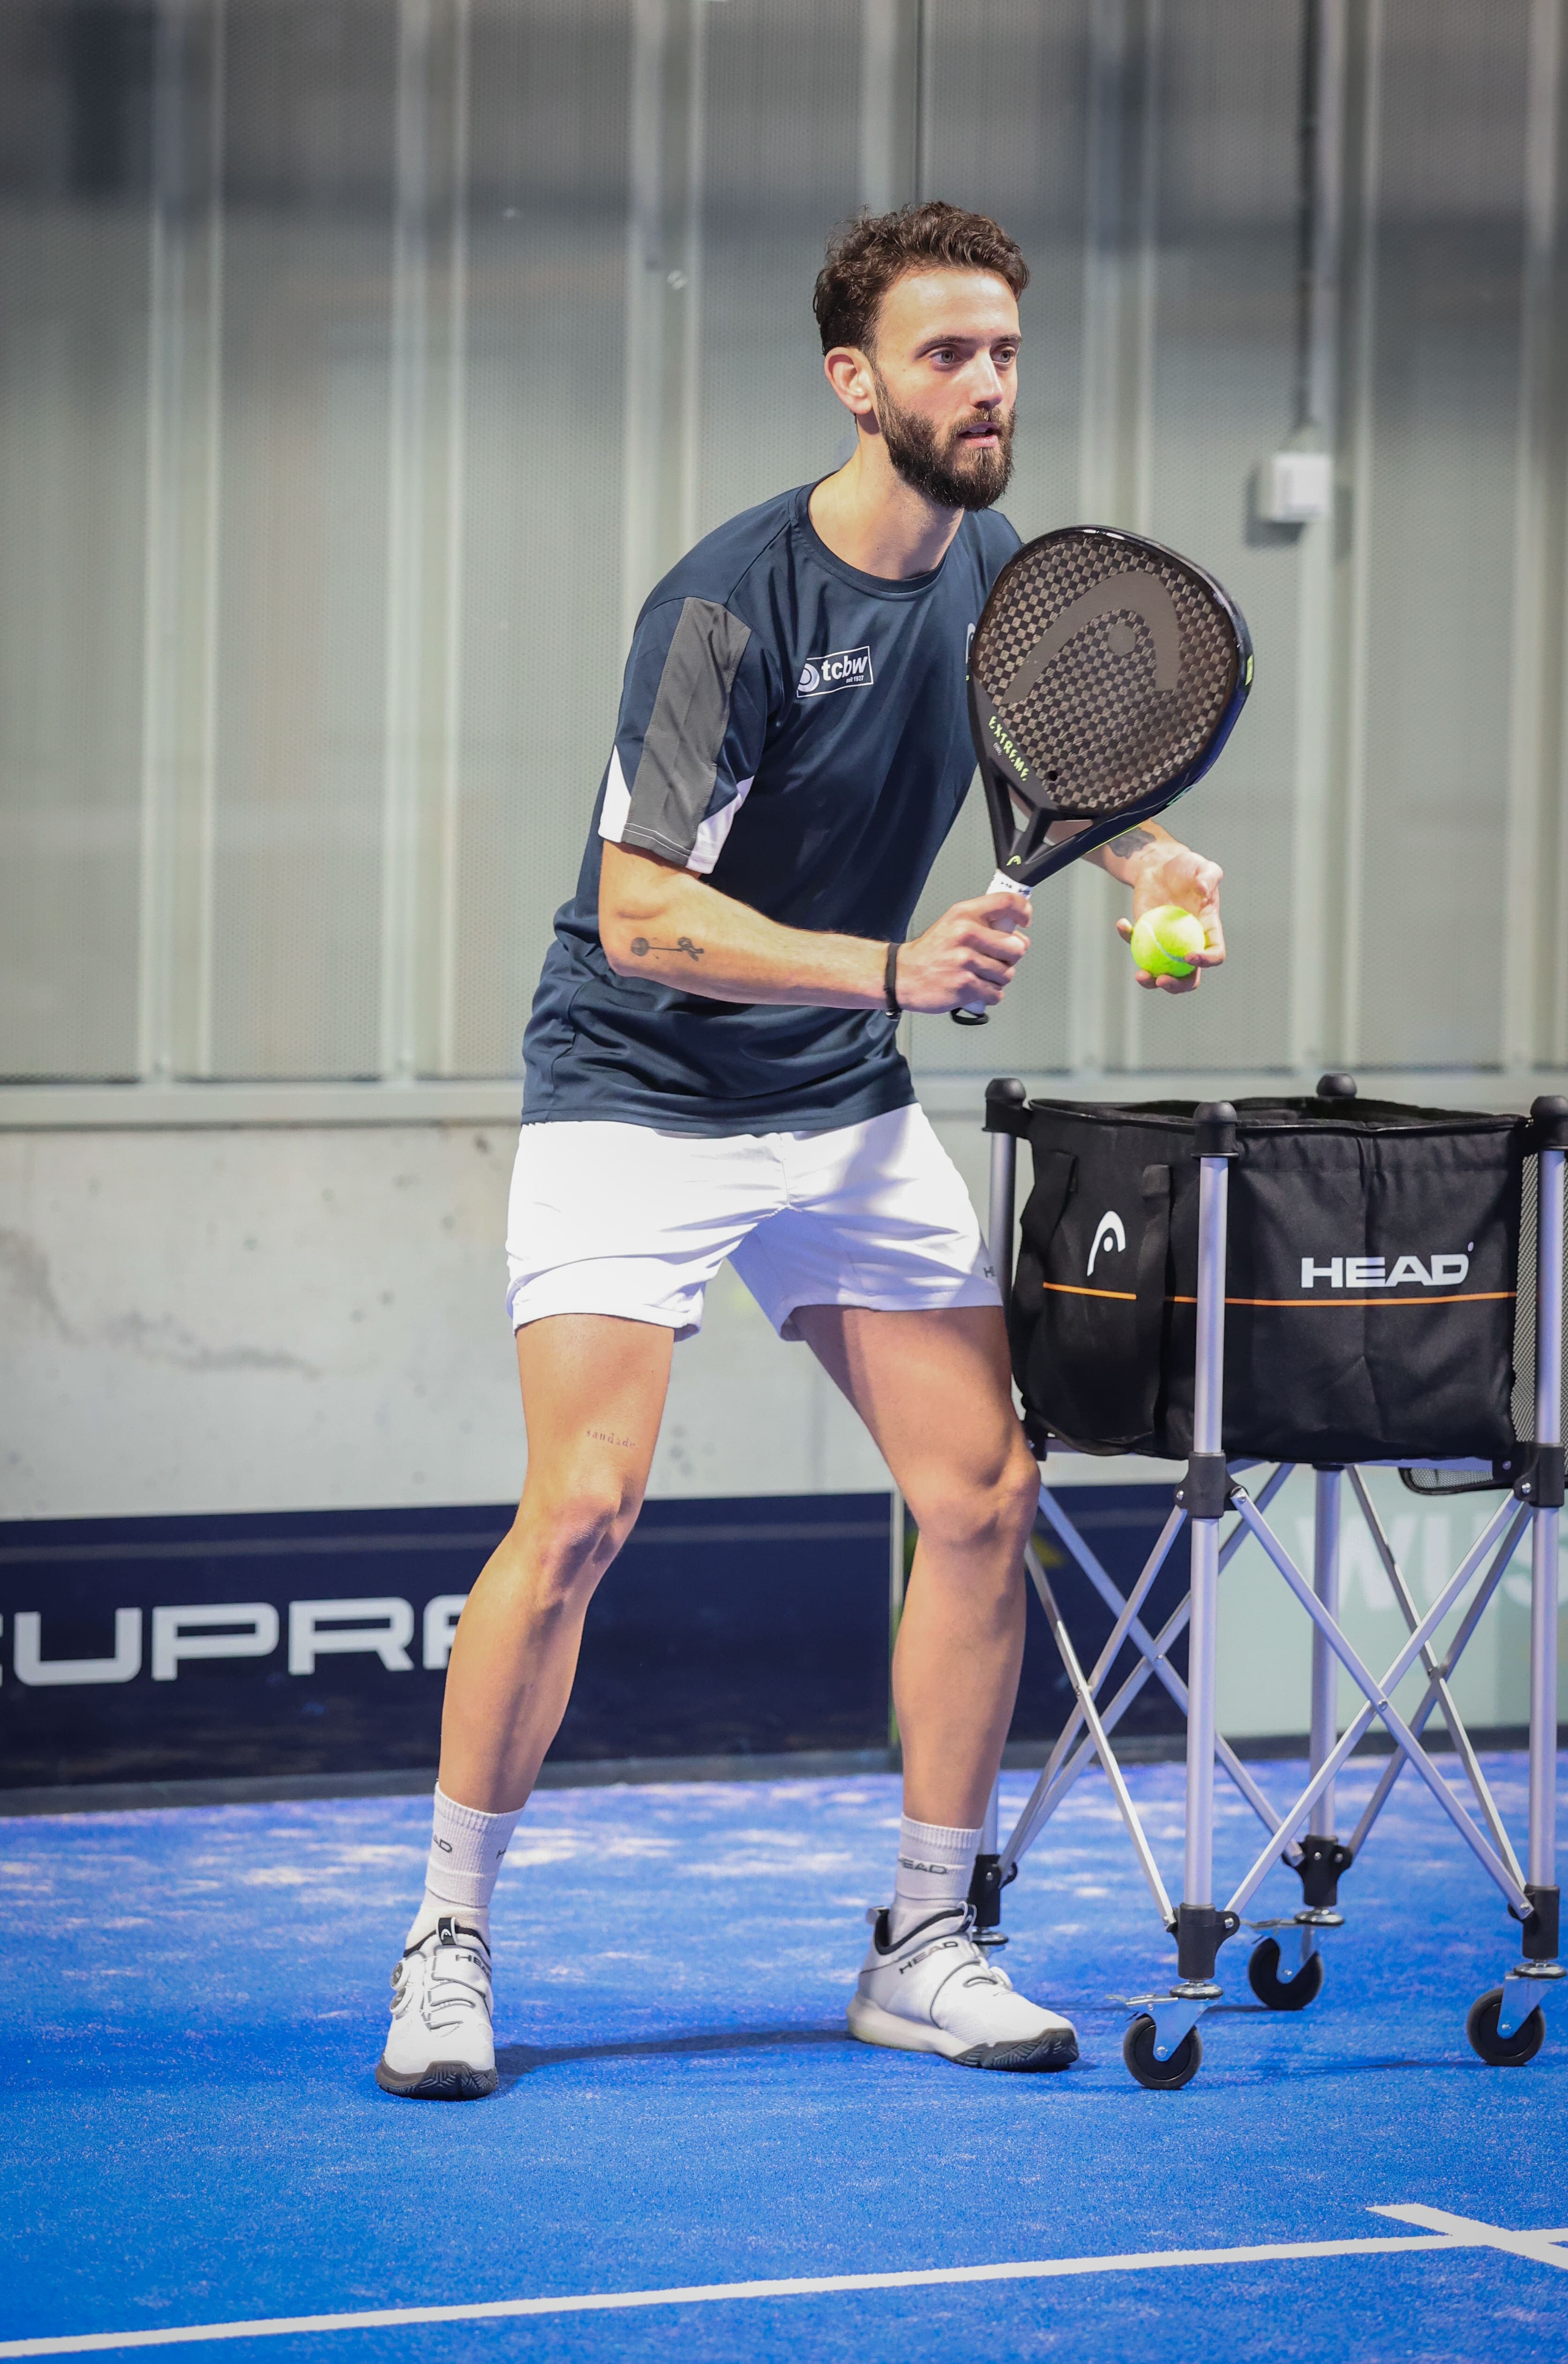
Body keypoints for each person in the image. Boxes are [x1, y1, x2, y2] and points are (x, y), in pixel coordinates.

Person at [378, 200, 1226, 2099]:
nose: (988, 385)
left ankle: (921, 1941)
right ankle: (446, 1939)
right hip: (638, 1089)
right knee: (581, 1508)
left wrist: (1148, 860)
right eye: (947, 355)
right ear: (854, 381)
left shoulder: (998, 572)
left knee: (982, 1493)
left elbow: (1055, 774)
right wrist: (894, 969)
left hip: (835, 1102)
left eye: (1005, 352)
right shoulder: (724, 609)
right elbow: (639, 917)